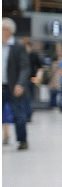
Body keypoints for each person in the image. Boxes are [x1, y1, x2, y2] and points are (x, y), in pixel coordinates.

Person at [3, 18, 32, 150]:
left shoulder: (18, 46)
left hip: (13, 87)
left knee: (18, 115)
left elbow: (25, 67)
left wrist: (20, 84)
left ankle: (22, 140)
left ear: (9, 31)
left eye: (3, 29)